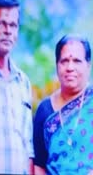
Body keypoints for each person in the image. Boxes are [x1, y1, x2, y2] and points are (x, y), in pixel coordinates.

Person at [0, 0, 34, 174]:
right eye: (1, 24)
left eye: (13, 25)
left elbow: (28, 146)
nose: (8, 31)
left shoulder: (23, 82)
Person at [33, 34, 93, 174]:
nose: (70, 67)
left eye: (77, 61)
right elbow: (39, 164)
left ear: (88, 66)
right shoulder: (45, 109)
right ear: (57, 65)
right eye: (64, 61)